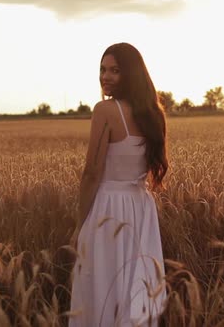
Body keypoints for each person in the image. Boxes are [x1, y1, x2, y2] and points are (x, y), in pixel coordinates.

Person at [68, 42, 169, 327]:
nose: (105, 76)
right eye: (102, 69)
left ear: (131, 75)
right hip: (140, 207)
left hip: (107, 209)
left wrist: (79, 225)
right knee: (134, 287)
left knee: (101, 285)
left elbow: (91, 172)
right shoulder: (153, 113)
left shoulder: (105, 110)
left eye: (115, 70)